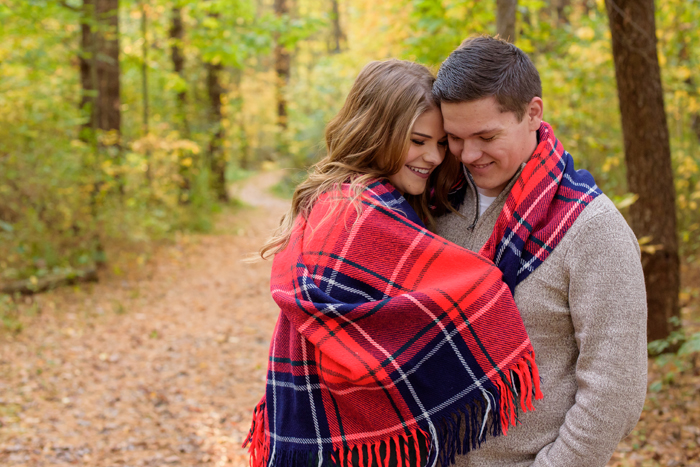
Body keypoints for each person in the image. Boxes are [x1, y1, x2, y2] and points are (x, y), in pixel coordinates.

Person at [243, 59, 544, 467]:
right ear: (376, 132)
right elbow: (452, 298)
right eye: (418, 141)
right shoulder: (362, 214)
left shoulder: (338, 199)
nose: (434, 156)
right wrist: (486, 294)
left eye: (440, 143)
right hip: (348, 449)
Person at [432, 35, 648, 466]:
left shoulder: (592, 228)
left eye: (486, 135)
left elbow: (614, 391)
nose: (468, 154)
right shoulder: (434, 202)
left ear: (533, 113)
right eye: (454, 138)